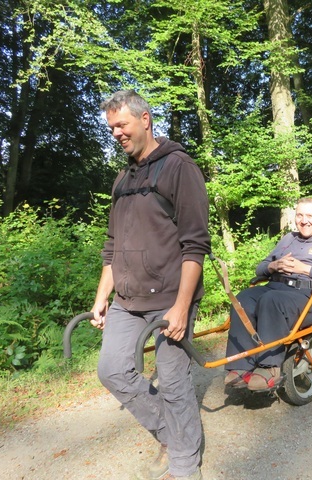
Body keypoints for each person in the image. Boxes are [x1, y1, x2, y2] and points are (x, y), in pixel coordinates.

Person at [90, 90, 210, 480]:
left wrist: (180, 305)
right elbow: (113, 245)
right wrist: (102, 297)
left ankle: (184, 464)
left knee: (174, 383)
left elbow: (195, 245)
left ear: (145, 120)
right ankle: (173, 433)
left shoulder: (179, 167)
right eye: (111, 128)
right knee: (111, 370)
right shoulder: (122, 178)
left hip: (169, 299)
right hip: (127, 299)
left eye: (121, 124)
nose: (116, 133)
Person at [224, 197, 312, 391]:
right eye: (300, 215)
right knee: (243, 299)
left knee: (271, 301)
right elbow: (260, 268)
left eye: (309, 215)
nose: (304, 220)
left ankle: (270, 368)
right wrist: (272, 265)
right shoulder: (288, 239)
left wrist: (306, 269)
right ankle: (241, 365)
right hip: (278, 286)